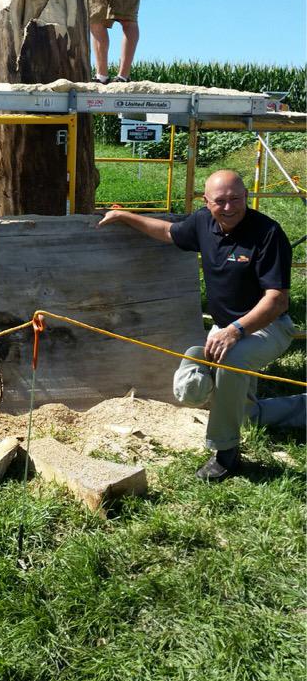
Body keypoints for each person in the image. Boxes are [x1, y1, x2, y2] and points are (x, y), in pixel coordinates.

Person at [98, 169, 303, 481]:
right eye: (220, 201)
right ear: (206, 202)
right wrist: (126, 216)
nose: (229, 207)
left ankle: (226, 453)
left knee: (231, 360)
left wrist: (236, 331)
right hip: (225, 329)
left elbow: (277, 300)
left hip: (268, 327)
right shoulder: (202, 224)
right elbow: (168, 232)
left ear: (246, 196)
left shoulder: (267, 233)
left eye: (236, 199)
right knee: (243, 413)